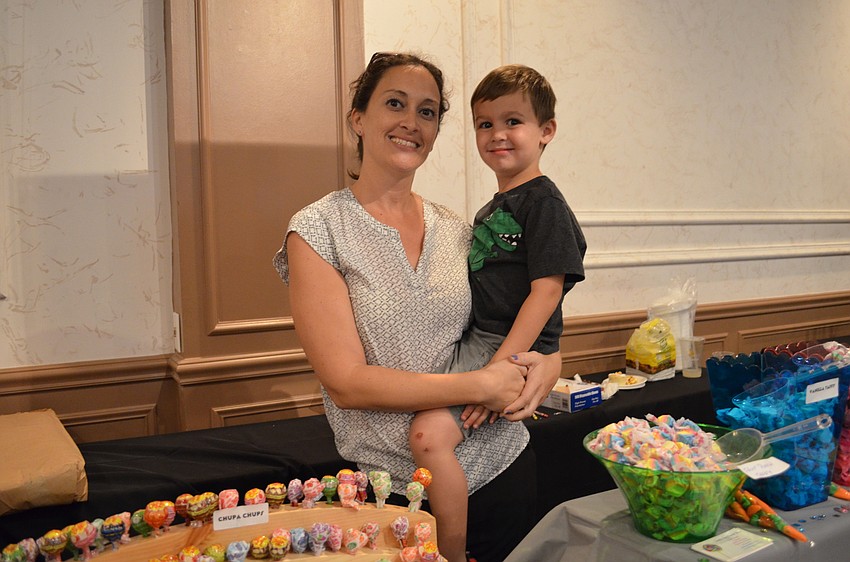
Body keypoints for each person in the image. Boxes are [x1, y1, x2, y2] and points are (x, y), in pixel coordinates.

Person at [273, 53, 563, 561]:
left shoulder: (459, 229)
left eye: (427, 111)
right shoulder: (319, 230)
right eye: (395, 103)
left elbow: (519, 312)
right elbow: (346, 383)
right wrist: (480, 385)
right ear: (358, 118)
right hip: (396, 497)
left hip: (505, 468)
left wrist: (550, 362)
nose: (411, 122)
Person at [408, 64, 587, 561]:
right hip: (480, 337)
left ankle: (449, 553)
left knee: (428, 437)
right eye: (485, 124)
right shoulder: (494, 207)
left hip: (503, 344)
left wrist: (499, 369)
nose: (497, 134)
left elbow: (546, 293)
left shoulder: (544, 204)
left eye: (513, 121)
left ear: (546, 131)